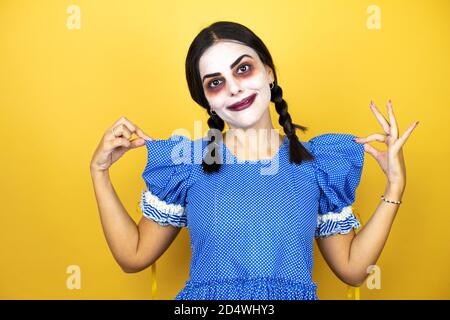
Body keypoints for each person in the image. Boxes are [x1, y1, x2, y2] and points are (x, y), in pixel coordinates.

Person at [90, 21, 418, 300]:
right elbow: (133, 257)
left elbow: (353, 270)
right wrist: (100, 171)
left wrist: (395, 185)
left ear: (269, 73)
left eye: (243, 69)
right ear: (206, 100)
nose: (234, 88)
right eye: (215, 82)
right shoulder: (187, 163)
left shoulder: (318, 164)